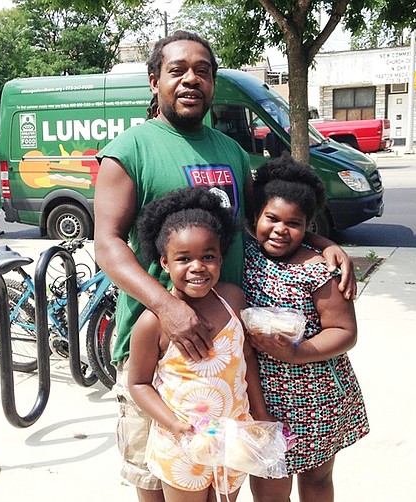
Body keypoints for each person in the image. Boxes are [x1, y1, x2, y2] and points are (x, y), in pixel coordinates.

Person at [94, 30, 355, 502]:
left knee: (221, 480)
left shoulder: (231, 151)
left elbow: (268, 216)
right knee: (159, 480)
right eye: (177, 70)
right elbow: (107, 244)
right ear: (155, 81)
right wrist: (165, 308)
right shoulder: (128, 151)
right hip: (162, 353)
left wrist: (319, 241)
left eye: (203, 71)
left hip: (228, 355)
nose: (191, 79)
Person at [128, 187, 270, 502]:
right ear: (164, 262)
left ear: (221, 257)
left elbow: (246, 359)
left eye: (208, 256)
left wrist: (259, 416)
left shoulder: (233, 300)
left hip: (234, 437)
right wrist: (174, 425)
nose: (197, 266)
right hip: (182, 443)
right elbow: (138, 384)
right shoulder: (152, 324)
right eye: (183, 258)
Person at [242, 154, 370, 502]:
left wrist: (297, 352)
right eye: (272, 218)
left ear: (307, 226)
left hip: (316, 397)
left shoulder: (318, 270)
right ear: (256, 216)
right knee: (269, 484)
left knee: (316, 480)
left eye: (294, 223)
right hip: (261, 395)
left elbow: (345, 331)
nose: (280, 230)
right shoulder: (246, 252)